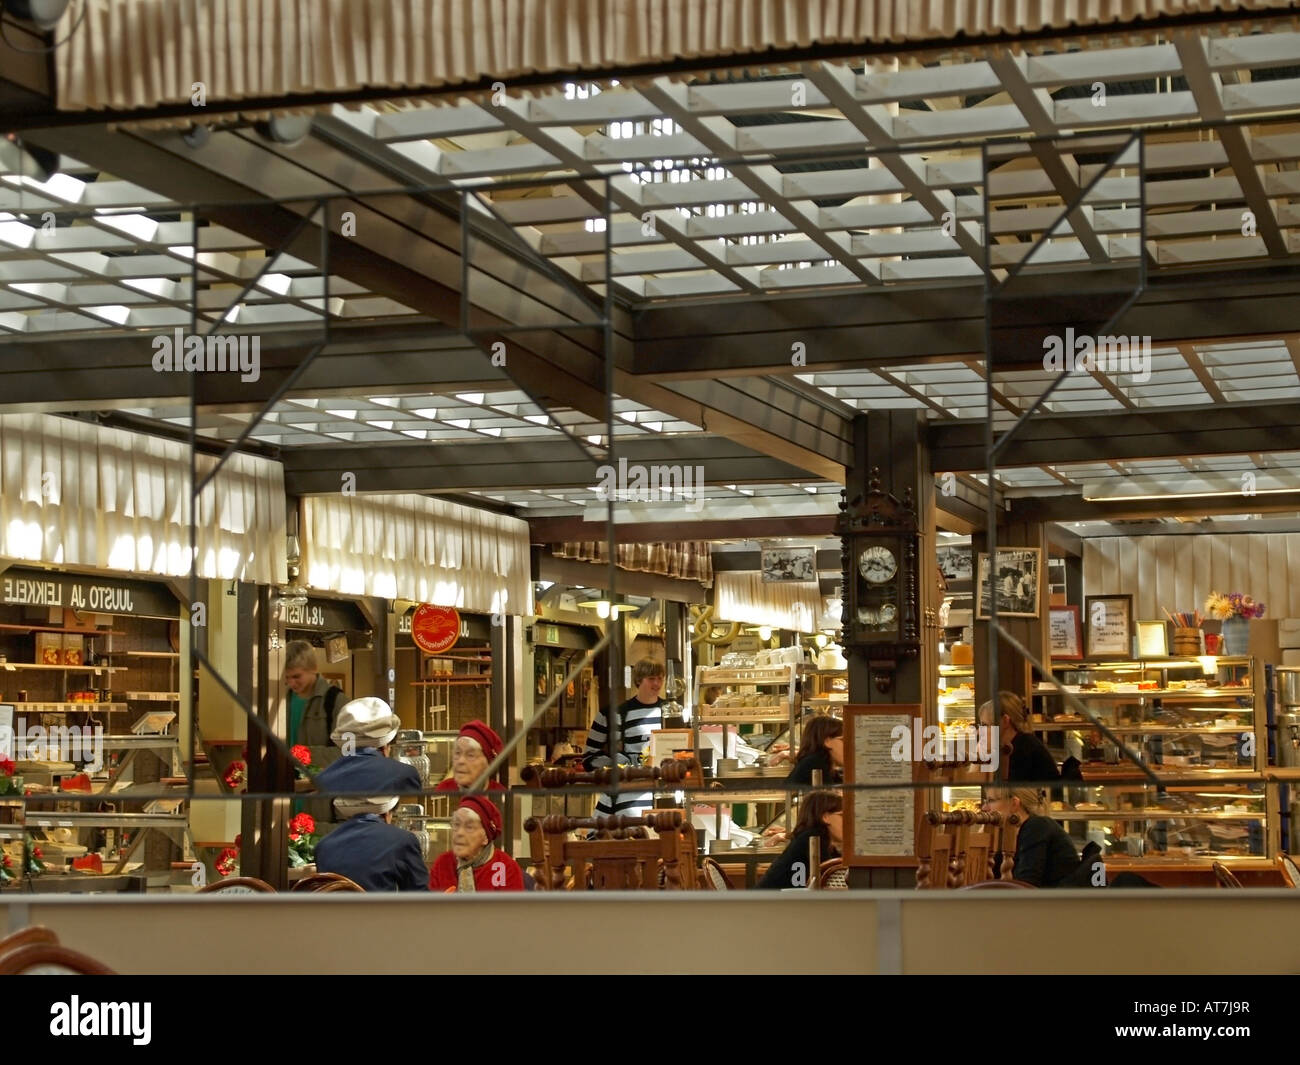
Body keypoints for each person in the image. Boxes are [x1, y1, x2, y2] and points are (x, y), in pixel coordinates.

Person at [581, 657, 664, 817]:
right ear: (639, 680)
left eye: (660, 678)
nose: (657, 684)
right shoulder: (611, 715)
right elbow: (589, 759)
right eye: (651, 679)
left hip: (663, 789)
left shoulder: (672, 713)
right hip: (625, 792)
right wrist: (621, 765)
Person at [313, 789, 429, 892]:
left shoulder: (323, 845)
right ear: (388, 813)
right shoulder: (403, 840)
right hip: (379, 916)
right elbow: (419, 897)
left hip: (331, 916)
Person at [983, 786, 1089, 888]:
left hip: (1060, 904)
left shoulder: (1037, 825)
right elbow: (991, 876)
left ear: (1014, 804)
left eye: (991, 800)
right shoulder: (1011, 833)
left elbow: (1025, 885)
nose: (984, 808)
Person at [428, 795, 524, 893]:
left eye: (469, 827)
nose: (459, 833)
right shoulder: (443, 863)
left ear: (485, 838)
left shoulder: (505, 867)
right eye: (456, 824)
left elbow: (510, 908)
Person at [757, 790, 843, 889]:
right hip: (770, 902)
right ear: (825, 817)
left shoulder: (817, 838)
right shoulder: (813, 837)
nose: (849, 822)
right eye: (842, 815)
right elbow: (832, 875)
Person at [283, 640, 345, 770]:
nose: (291, 683)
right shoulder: (280, 700)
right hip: (285, 781)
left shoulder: (336, 701)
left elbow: (346, 753)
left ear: (313, 669)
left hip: (319, 784)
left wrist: (306, 755)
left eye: (296, 676)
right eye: (287, 677)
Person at [978, 691, 1059, 783]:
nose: (980, 731)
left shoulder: (1025, 748)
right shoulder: (1008, 745)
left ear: (1005, 721)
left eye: (985, 725)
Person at [435, 720, 507, 792]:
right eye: (457, 753)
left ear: (488, 764)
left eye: (470, 755)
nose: (461, 761)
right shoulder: (444, 788)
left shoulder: (500, 793)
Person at [786, 714, 843, 786]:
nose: (851, 745)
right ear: (827, 742)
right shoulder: (815, 763)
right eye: (843, 740)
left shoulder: (824, 764)